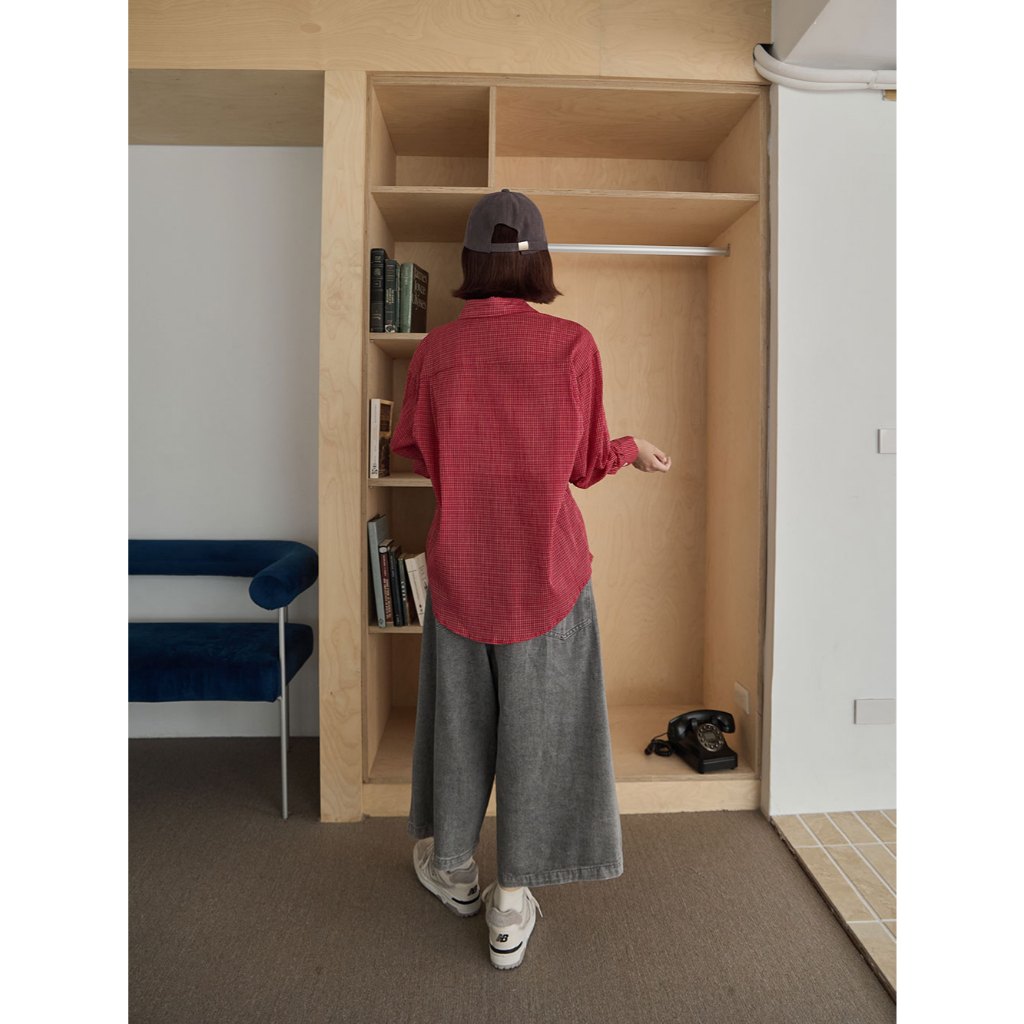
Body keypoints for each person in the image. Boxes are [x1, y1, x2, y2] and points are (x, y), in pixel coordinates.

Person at [390, 189, 671, 970]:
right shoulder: (572, 345)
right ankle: (511, 901)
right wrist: (630, 448)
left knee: (459, 727)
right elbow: (585, 464)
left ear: (470, 260)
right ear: (538, 260)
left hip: (460, 571)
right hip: (547, 575)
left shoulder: (435, 352)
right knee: (541, 734)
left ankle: (453, 867)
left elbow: (415, 447)